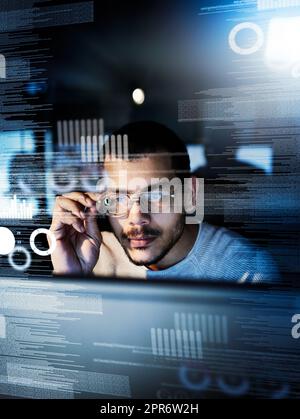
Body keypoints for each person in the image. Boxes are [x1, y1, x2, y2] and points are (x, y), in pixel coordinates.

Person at [49, 121, 278, 283]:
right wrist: (71, 279)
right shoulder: (93, 255)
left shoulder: (244, 271)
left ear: (190, 193)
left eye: (157, 195)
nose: (136, 218)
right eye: (119, 198)